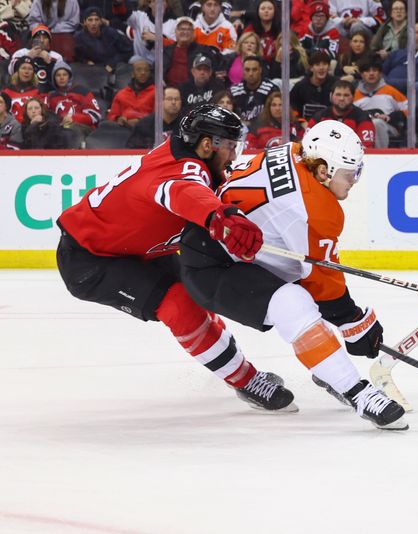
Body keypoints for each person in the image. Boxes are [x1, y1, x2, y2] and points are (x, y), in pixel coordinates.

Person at [56, 104, 295, 413]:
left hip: (133, 250)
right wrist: (219, 215)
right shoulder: (184, 172)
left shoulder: (190, 157)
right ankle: (246, 381)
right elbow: (181, 191)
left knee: (196, 294)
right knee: (179, 305)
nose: (235, 155)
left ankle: (237, 370)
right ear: (207, 145)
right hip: (89, 260)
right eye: (231, 146)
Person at [178, 119, 408, 430]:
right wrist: (355, 322)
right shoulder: (315, 209)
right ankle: (360, 394)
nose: (355, 179)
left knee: (303, 293)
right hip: (214, 266)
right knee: (294, 303)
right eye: (350, 172)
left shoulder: (295, 152)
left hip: (224, 244)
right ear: (324, 171)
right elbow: (323, 285)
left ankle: (330, 369)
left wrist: (350, 322)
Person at [354, 55, 406, 147]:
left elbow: (409, 110)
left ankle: (379, 156)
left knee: (376, 123)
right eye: (367, 71)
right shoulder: (354, 94)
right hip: (362, 129)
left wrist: (391, 117)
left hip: (389, 128)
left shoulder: (390, 91)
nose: (371, 74)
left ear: (380, 73)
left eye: (374, 70)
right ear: (361, 74)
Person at [46, 60, 102, 145]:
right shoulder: (51, 96)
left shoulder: (82, 91)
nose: (61, 78)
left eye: (64, 75)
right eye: (58, 75)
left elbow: (95, 115)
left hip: (82, 127)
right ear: (54, 78)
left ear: (69, 77)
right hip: (60, 128)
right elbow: (48, 117)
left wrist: (74, 118)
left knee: (68, 129)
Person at [308, 79, 375, 148]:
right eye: (338, 95)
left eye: (346, 95)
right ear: (331, 96)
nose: (342, 98)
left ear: (353, 97)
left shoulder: (363, 118)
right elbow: (307, 143)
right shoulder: (319, 117)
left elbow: (366, 148)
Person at [163, 16, 222, 87]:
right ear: (175, 32)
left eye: (189, 29)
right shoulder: (166, 51)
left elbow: (215, 68)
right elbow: (154, 71)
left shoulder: (204, 50)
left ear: (193, 33)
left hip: (194, 92)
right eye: (181, 29)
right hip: (169, 91)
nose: (185, 32)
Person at [74, 6, 133, 70]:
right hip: (92, 70)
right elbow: (77, 56)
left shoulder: (111, 33)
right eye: (90, 20)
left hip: (114, 68)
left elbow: (127, 51)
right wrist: (86, 62)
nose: (93, 23)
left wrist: (112, 63)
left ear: (101, 22)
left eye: (96, 19)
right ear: (84, 22)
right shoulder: (78, 37)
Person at [8, 24, 64, 92]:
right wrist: (28, 57)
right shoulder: (21, 53)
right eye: (38, 37)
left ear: (49, 43)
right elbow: (11, 71)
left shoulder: (56, 57)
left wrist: (50, 63)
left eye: (45, 38)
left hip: (47, 92)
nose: (41, 41)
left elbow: (61, 79)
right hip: (23, 91)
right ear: (32, 41)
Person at [229, 55, 278, 126]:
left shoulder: (271, 89)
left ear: (260, 70)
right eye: (247, 70)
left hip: (263, 129)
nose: (251, 74)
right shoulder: (234, 90)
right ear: (243, 71)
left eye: (254, 70)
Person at [107, 55, 155, 128]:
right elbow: (112, 116)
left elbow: (159, 117)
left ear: (149, 74)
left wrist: (140, 121)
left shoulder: (157, 93)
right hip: (122, 129)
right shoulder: (121, 94)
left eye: (146, 70)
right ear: (133, 74)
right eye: (139, 70)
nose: (143, 73)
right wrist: (118, 119)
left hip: (146, 129)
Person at [289, 49, 335, 121]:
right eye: (317, 65)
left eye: (325, 64)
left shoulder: (336, 85)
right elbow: (292, 107)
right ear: (311, 68)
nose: (321, 68)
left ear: (329, 67)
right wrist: (301, 122)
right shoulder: (300, 86)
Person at [2, 56, 42, 122]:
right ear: (17, 71)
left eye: (30, 69)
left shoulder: (38, 92)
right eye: (23, 68)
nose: (26, 72)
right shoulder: (5, 92)